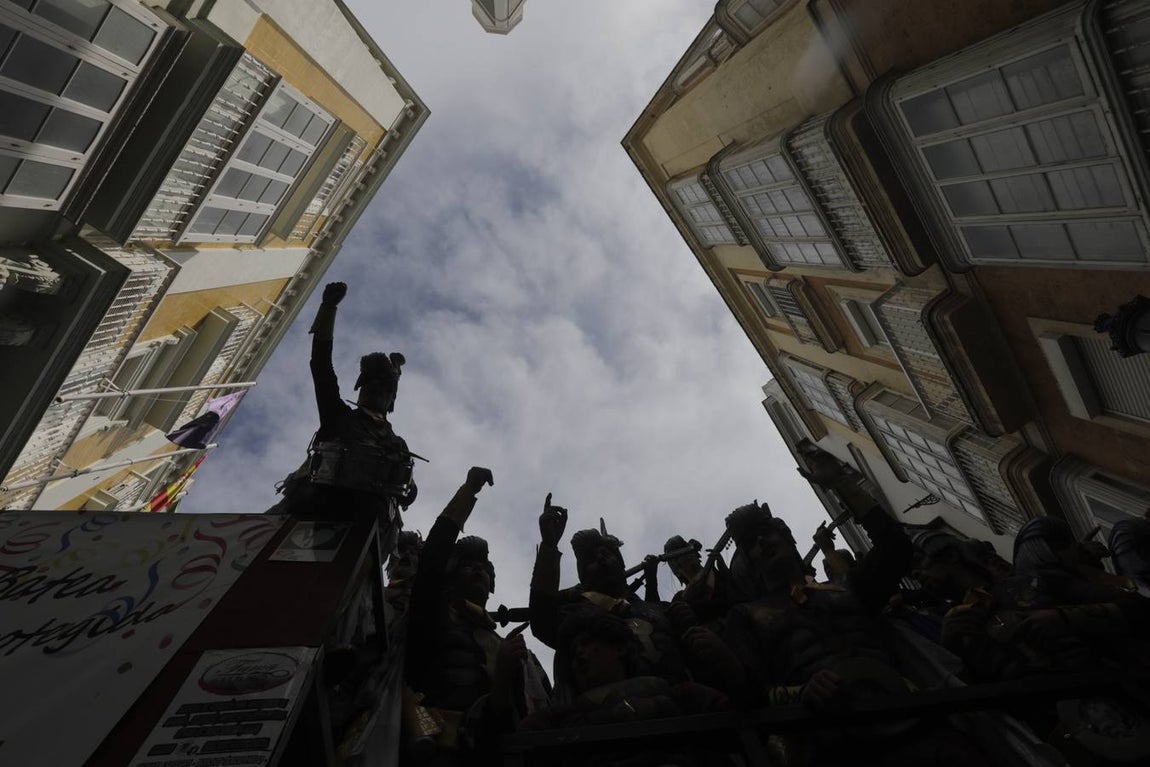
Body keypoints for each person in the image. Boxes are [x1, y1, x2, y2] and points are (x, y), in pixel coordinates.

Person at [713, 472, 989, 765]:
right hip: (832, 743)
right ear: (748, 563)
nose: (762, 540)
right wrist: (801, 693)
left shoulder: (848, 588)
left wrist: (844, 484)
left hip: (912, 718)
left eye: (767, 530)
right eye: (751, 542)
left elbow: (895, 548)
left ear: (788, 538)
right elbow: (750, 696)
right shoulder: (747, 616)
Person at [270, 282, 416, 552]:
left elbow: (408, 492)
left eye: (383, 386)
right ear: (359, 390)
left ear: (392, 398)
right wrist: (328, 309)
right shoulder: (338, 416)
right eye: (369, 383)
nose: (375, 389)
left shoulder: (397, 444)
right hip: (313, 513)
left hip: (364, 531)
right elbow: (321, 366)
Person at [405, 467, 536, 764]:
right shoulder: (436, 616)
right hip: (433, 749)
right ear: (451, 576)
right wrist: (467, 492)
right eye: (468, 565)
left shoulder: (500, 642)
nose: (478, 570)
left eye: (484, 568)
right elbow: (433, 561)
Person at [529, 495, 687, 694]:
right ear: (582, 574)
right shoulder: (570, 614)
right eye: (592, 558)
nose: (602, 559)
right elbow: (541, 616)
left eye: (608, 553)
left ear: (622, 565)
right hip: (597, 719)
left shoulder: (660, 610)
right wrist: (549, 547)